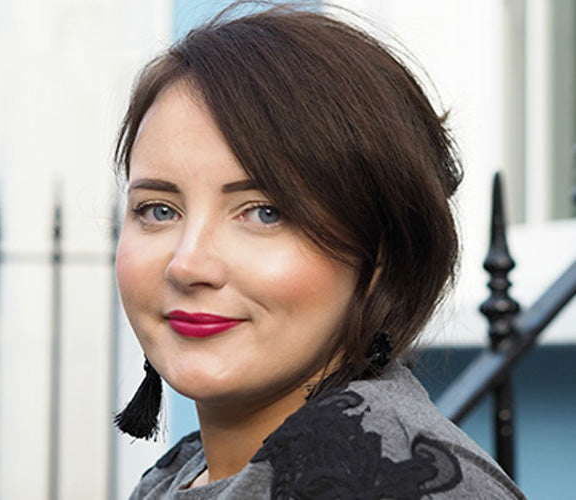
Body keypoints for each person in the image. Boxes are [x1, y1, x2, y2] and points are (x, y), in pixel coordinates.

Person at [111, 3, 527, 499]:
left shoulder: (385, 480)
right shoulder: (177, 474)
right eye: (159, 210)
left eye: (265, 213)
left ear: (379, 252)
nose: (187, 265)